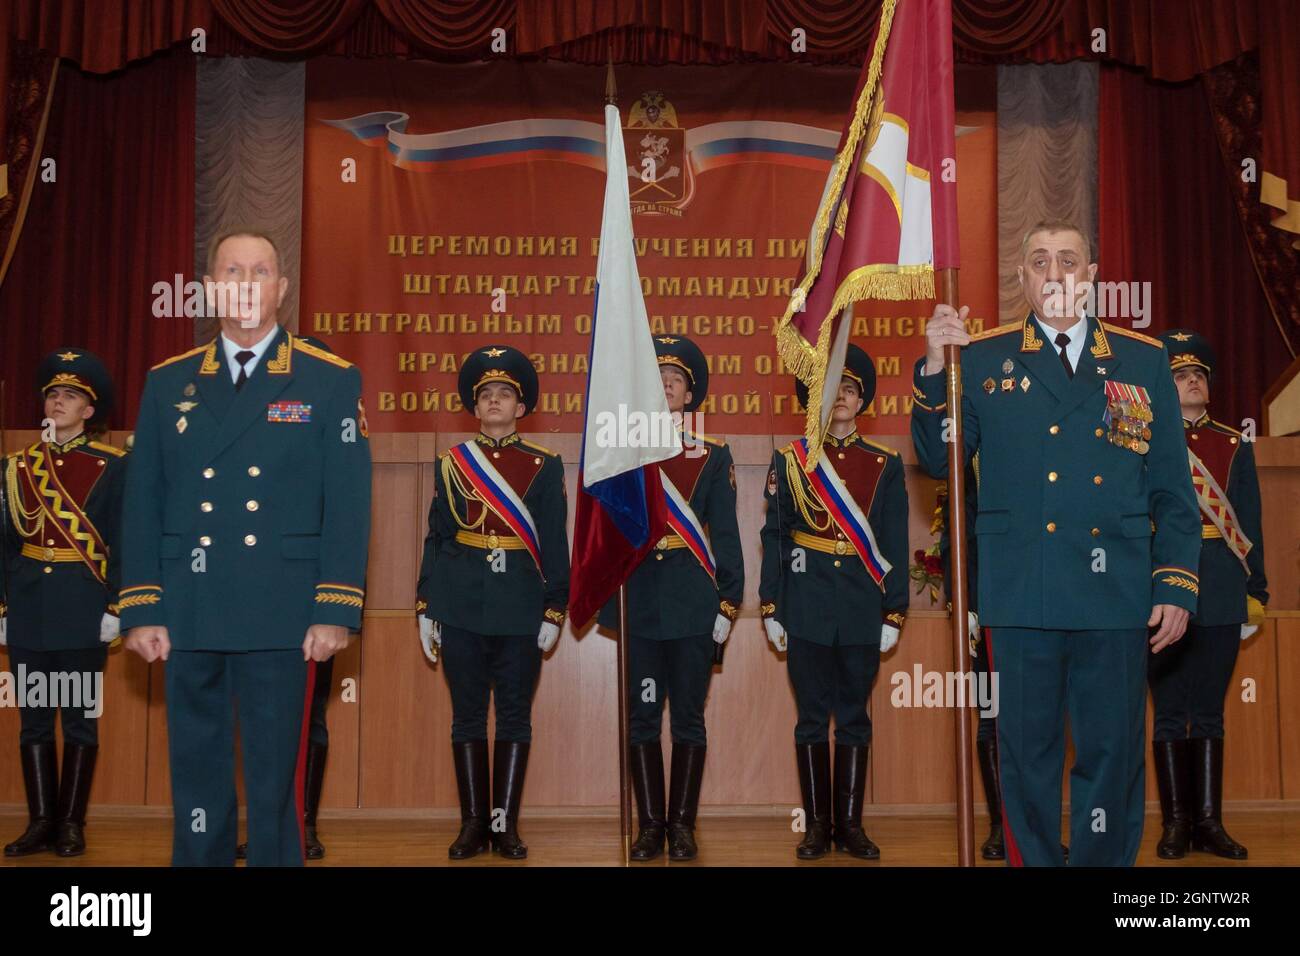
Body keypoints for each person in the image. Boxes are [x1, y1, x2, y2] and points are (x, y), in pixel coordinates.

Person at [911, 219, 1201, 866]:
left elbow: (1173, 492)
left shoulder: (1141, 359)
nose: (1055, 273)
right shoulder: (981, 360)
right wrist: (935, 369)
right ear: (1022, 278)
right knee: (1026, 759)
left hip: (1116, 595)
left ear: (1091, 277)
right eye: (1039, 261)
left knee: (1112, 757)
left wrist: (1176, 580)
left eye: (1068, 260)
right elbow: (939, 458)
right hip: (1022, 594)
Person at [120, 228, 372, 867]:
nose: (246, 284)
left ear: (281, 289)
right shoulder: (166, 382)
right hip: (189, 606)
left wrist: (335, 608)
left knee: (273, 784)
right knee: (197, 778)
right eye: (232, 271)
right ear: (209, 289)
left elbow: (347, 504)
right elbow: (143, 500)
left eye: (260, 271)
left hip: (283, 611)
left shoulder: (328, 380)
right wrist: (142, 605)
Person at [416, 344, 570, 861]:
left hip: (520, 605)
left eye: (505, 394)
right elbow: (436, 539)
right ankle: (471, 827)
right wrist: (426, 605)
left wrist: (555, 608)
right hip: (459, 603)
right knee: (465, 717)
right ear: (475, 408)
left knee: (512, 716)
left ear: (521, 407)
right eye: (486, 396)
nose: (495, 402)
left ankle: (504, 826)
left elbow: (554, 540)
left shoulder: (544, 466)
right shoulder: (451, 464)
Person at [596, 335, 743, 861]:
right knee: (641, 718)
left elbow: (725, 535)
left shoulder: (712, 454)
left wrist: (729, 603)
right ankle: (650, 827)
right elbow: (607, 534)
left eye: (674, 382)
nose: (664, 388)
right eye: (655, 382)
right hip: (639, 603)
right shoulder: (622, 453)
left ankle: (682, 825)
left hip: (690, 602)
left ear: (689, 396)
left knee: (687, 718)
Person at [760, 344, 910, 860]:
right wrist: (771, 606)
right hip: (805, 605)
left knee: (853, 718)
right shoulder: (791, 461)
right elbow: (775, 538)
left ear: (861, 399)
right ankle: (817, 828)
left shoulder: (884, 464)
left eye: (848, 389)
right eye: (830, 391)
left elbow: (891, 541)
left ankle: (851, 826)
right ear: (813, 401)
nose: (840, 398)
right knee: (810, 718)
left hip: (861, 607)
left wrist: (894, 610)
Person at [1, 349, 125, 857]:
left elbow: (123, 538)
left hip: (82, 604)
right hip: (30, 606)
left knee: (77, 717)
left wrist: (116, 607)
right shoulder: (15, 468)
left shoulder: (114, 466)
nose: (57, 401)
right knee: (33, 719)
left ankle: (72, 823)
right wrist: (3, 608)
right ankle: (40, 822)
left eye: (69, 396)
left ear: (88, 411)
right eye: (53, 393)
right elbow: (5, 540)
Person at [1148, 329, 1266, 860]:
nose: (1191, 381)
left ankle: (1209, 823)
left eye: (1198, 375)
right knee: (1171, 710)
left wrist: (1256, 591)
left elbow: (1251, 521)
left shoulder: (1232, 444)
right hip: (1163, 587)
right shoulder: (1145, 438)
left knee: (1211, 712)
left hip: (1219, 583)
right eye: (1179, 375)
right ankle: (1175, 824)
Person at [234, 337, 342, 862]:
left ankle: (302, 824)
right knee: (251, 719)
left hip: (309, 604)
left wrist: (334, 606)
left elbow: (343, 525)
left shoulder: (331, 431)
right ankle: (264, 826)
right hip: (245, 600)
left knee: (307, 718)